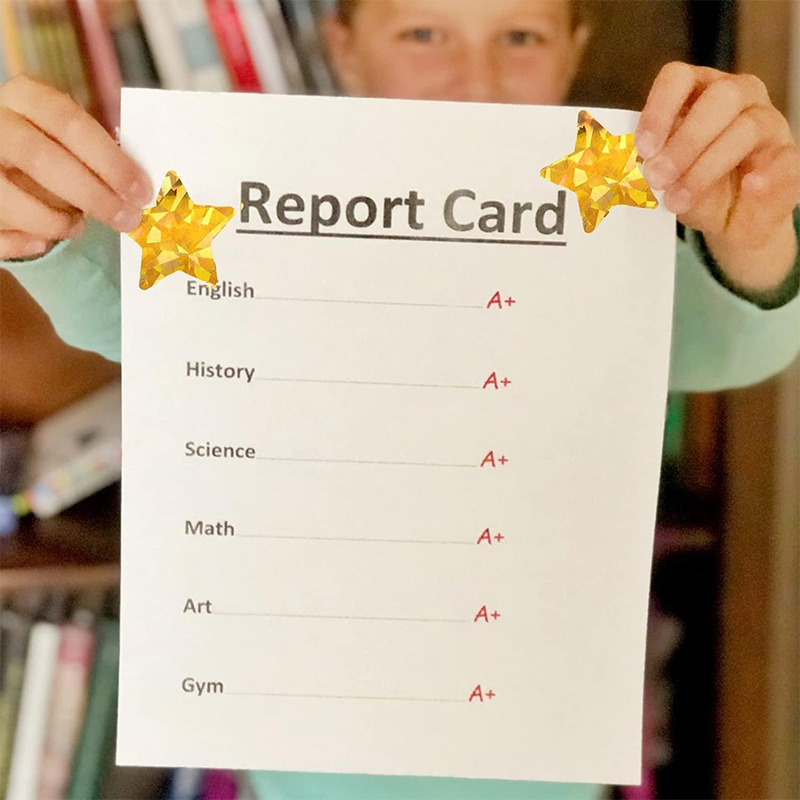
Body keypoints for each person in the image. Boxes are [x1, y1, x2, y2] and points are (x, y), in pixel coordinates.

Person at [1, 1, 798, 798]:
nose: (476, 80)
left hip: (536, 753)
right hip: (307, 764)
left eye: (520, 37)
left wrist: (754, 236)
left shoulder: (609, 235)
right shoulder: (257, 202)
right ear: (342, 49)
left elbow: (733, 342)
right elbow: (124, 309)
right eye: (424, 34)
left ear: (572, 51)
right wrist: (36, 225)